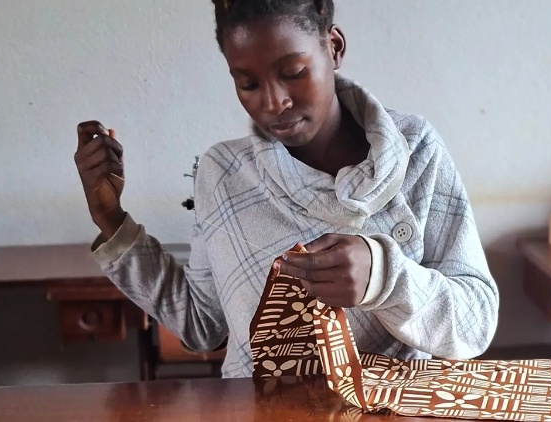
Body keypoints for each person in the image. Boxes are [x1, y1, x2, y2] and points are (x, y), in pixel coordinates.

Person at [74, 0, 499, 378]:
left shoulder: (415, 150)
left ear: (333, 48)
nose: (273, 102)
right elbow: (203, 325)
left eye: (293, 73)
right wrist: (110, 219)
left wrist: (385, 277)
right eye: (248, 84)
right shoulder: (223, 174)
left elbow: (475, 324)